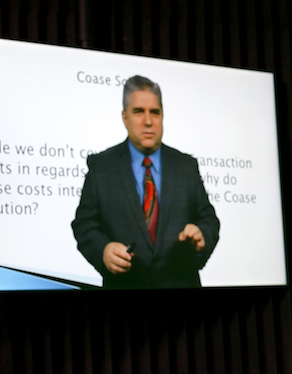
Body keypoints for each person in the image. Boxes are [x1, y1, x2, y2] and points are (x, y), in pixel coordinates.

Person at [73, 75, 219, 289]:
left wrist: (201, 235)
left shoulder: (186, 166)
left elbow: (208, 219)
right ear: (124, 117)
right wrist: (103, 250)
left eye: (155, 112)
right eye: (139, 111)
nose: (148, 121)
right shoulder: (101, 166)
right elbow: (84, 225)